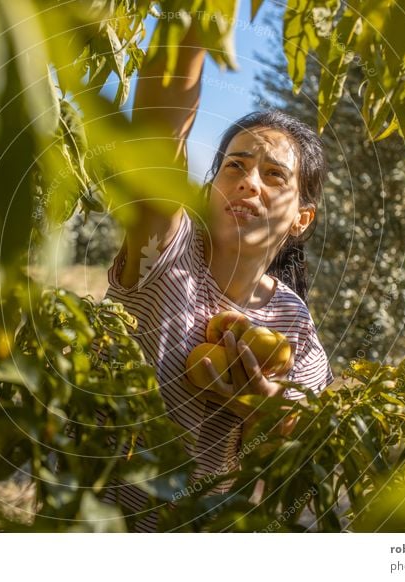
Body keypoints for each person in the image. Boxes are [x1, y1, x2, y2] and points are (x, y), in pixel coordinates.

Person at [101, 21, 333, 532]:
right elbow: (159, 137)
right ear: (208, 188)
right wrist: (194, 18)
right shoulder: (167, 255)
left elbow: (298, 465)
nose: (249, 182)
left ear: (302, 218)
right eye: (235, 165)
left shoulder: (293, 320)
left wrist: (258, 406)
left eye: (274, 175)